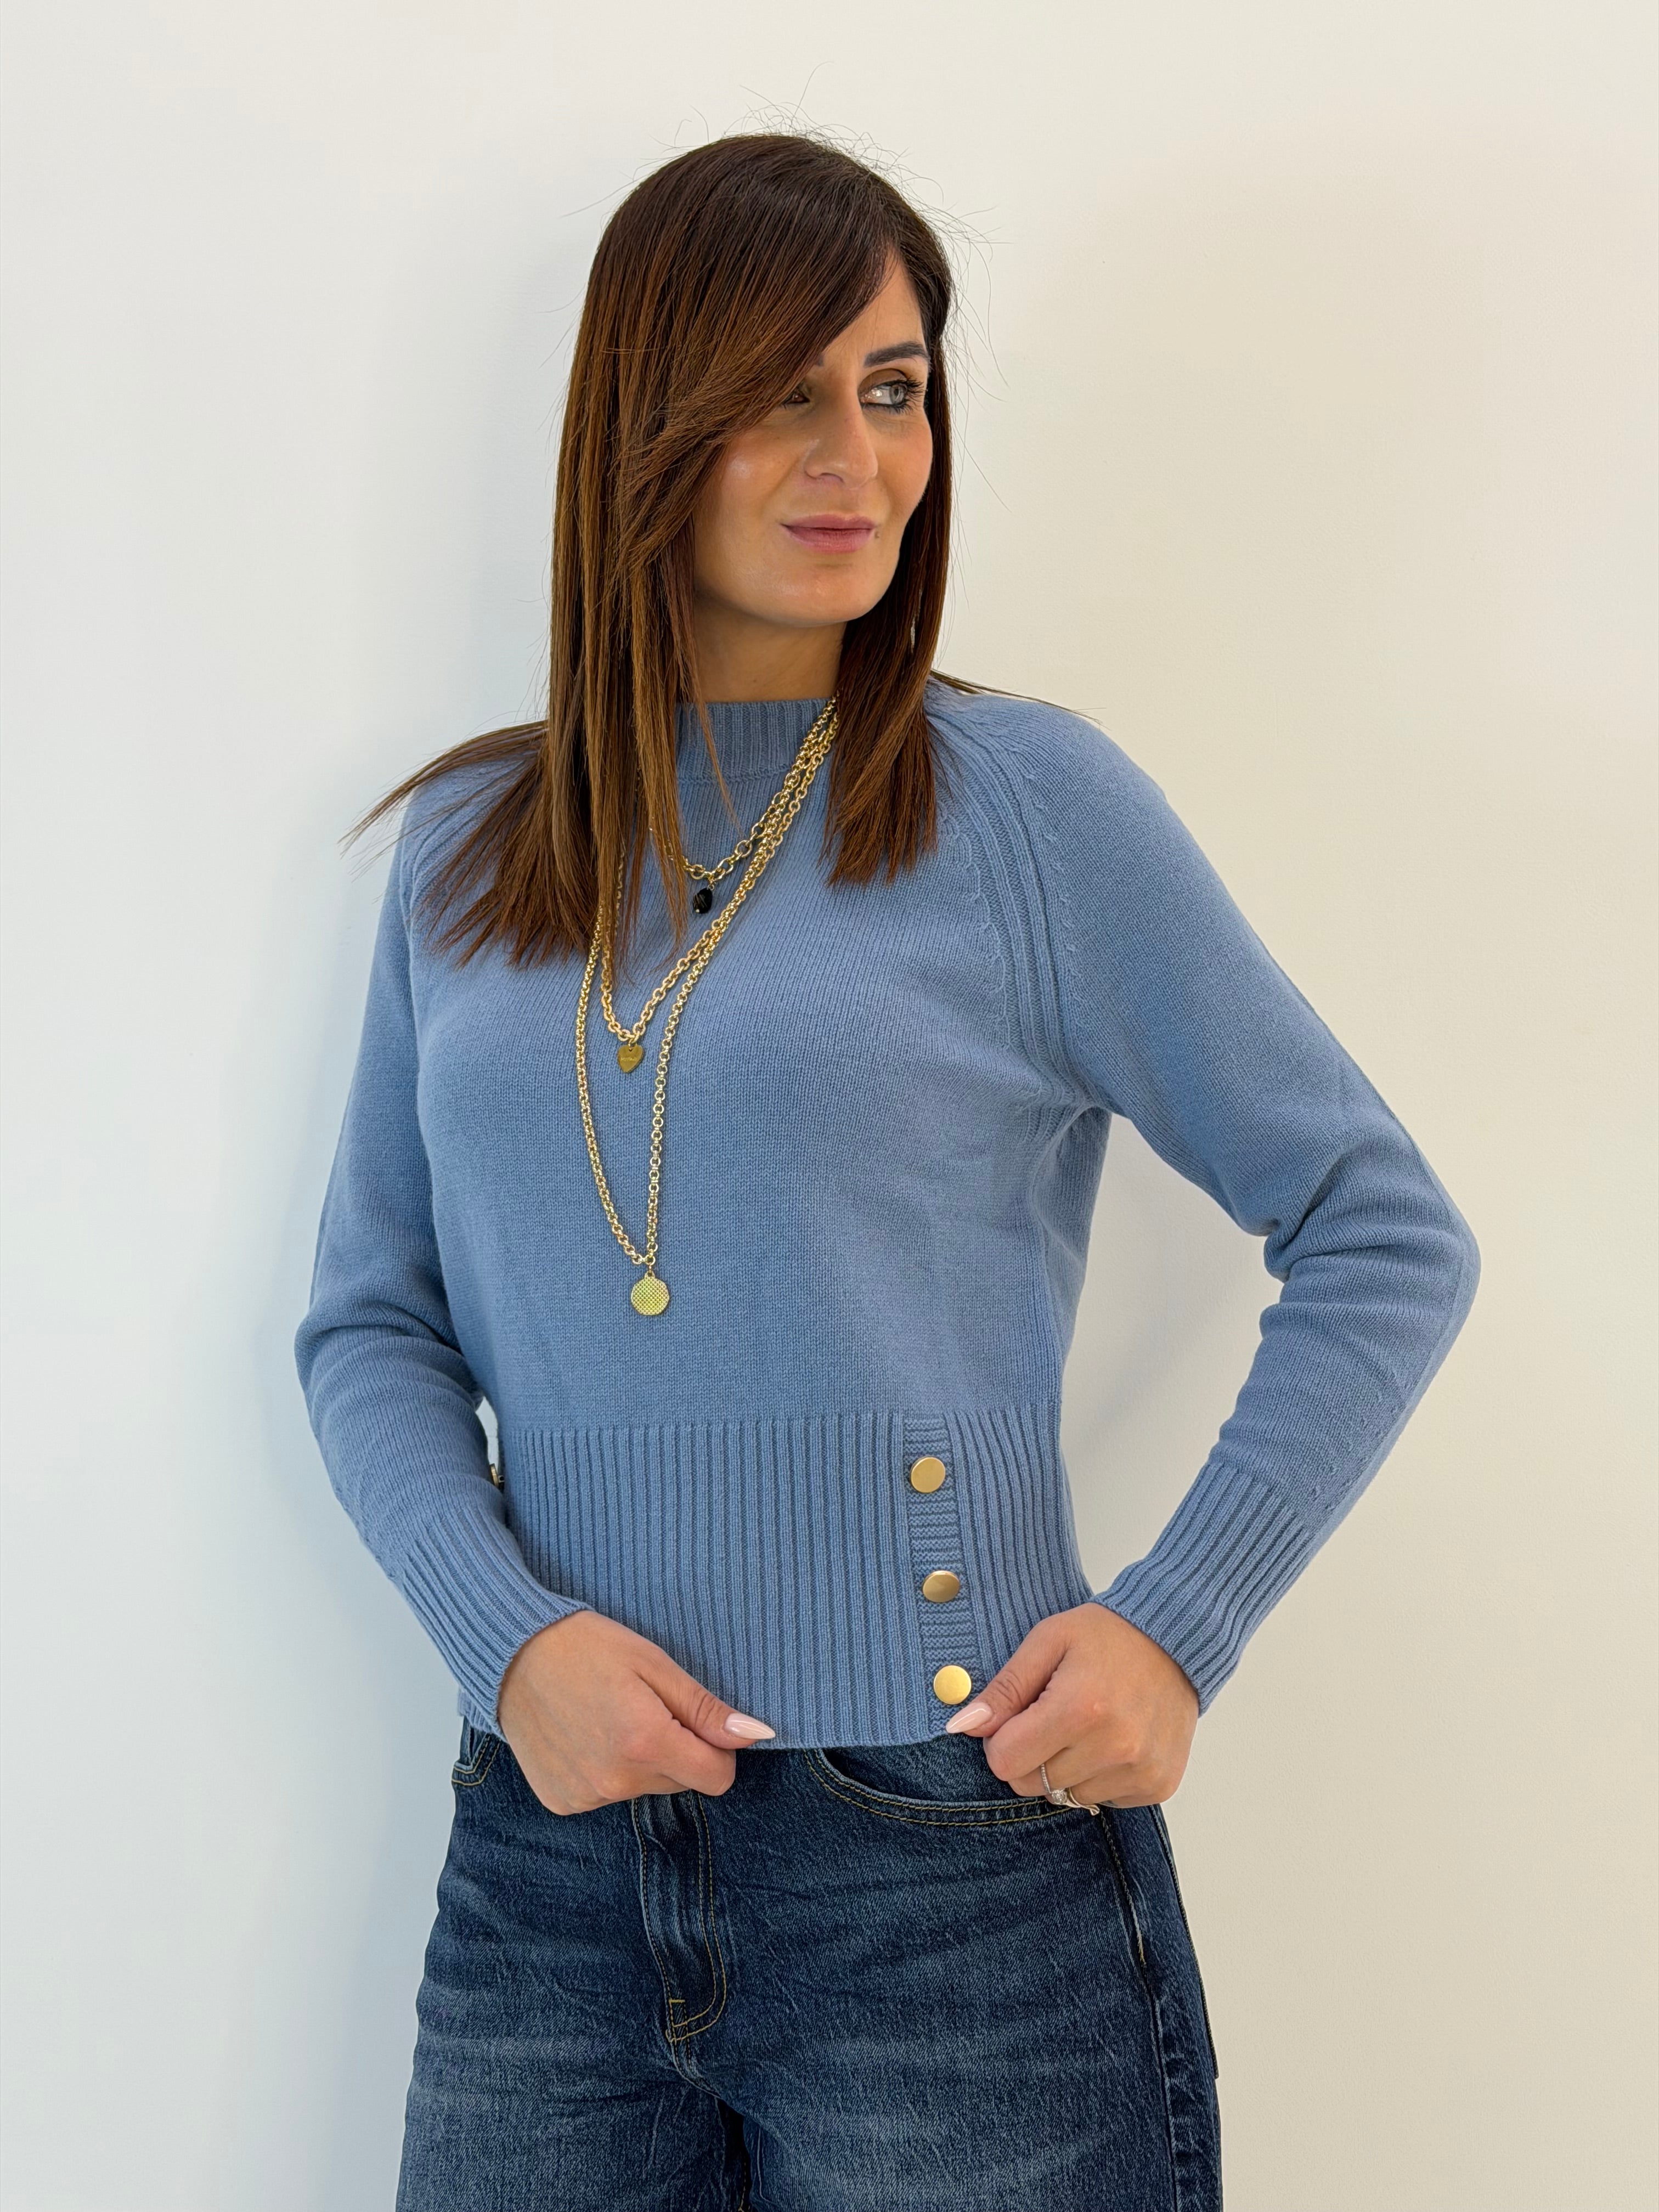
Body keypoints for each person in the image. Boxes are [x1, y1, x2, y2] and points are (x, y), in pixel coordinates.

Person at [295, 132, 1480, 2210]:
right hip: (549, 1873)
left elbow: (1382, 1228)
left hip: (954, 1862)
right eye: (782, 392)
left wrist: (1178, 1626)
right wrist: (510, 1642)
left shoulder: (1027, 808)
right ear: (646, 423)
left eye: (895, 387)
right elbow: (371, 1324)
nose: (857, 456)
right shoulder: (473, 852)